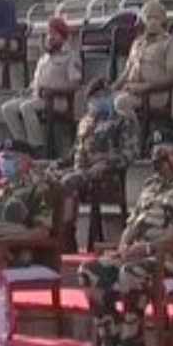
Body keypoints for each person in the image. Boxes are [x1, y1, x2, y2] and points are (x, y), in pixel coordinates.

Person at [77, 130, 173, 346]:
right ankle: (110, 334)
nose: (166, 159)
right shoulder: (150, 185)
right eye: (161, 154)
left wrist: (150, 248)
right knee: (90, 271)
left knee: (132, 272)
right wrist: (124, 246)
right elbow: (133, 223)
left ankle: (133, 339)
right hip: (138, 254)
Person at [47, 78, 140, 250]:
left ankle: (67, 235)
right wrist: (58, 164)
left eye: (105, 95)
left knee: (67, 182)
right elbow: (76, 151)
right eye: (97, 97)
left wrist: (106, 164)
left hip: (105, 177)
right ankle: (56, 232)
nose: (101, 99)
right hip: (80, 173)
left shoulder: (123, 121)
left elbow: (130, 154)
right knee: (49, 179)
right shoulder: (85, 122)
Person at [1, 17, 82, 158]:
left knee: (27, 107)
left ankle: (37, 148)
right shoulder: (44, 58)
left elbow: (75, 85)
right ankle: (22, 146)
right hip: (37, 96)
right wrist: (28, 89)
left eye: (54, 34)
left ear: (62, 37)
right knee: (7, 108)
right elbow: (36, 81)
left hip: (57, 100)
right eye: (48, 34)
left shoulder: (71, 57)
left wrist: (52, 90)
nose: (50, 38)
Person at [0, 139, 55, 267]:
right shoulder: (3, 186)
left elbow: (42, 232)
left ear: (26, 160)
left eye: (8, 158)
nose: (3, 163)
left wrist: (4, 241)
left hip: (17, 249)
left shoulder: (39, 188)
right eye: (2, 158)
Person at [112, 0, 173, 129]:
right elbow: (127, 71)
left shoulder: (171, 43)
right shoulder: (137, 43)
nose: (152, 21)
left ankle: (132, 139)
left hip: (155, 94)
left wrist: (146, 87)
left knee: (120, 103)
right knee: (102, 102)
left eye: (156, 18)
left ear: (163, 20)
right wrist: (112, 88)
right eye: (149, 18)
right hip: (131, 91)